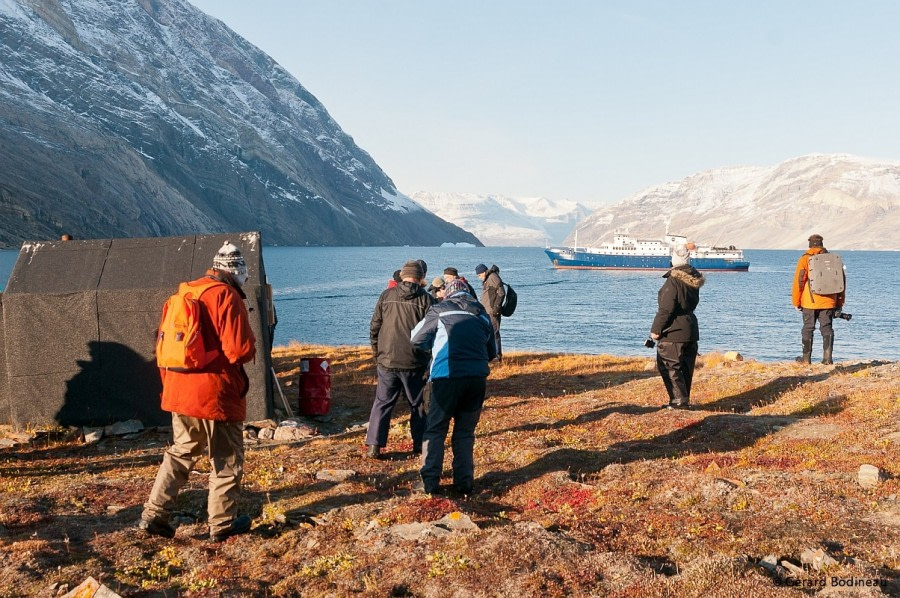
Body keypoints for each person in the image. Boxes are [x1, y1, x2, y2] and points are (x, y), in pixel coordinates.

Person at [140, 242, 257, 542]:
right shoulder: (227, 297)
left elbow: (163, 346)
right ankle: (222, 524)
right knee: (226, 458)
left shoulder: (183, 293)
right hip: (215, 392)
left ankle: (155, 513)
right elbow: (239, 350)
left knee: (181, 452)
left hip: (180, 389)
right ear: (236, 272)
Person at [410, 278, 496, 495]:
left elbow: (415, 338)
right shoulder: (482, 314)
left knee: (436, 429)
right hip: (476, 379)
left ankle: (429, 482)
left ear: (448, 294)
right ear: (468, 293)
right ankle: (464, 482)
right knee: (465, 432)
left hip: (446, 376)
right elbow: (492, 351)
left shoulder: (439, 310)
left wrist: (432, 348)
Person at [365, 260, 434, 458]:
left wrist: (377, 353)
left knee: (383, 402)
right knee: (418, 404)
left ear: (403, 275)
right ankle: (420, 445)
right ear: (420, 277)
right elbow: (433, 331)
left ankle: (373, 446)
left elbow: (374, 326)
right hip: (414, 361)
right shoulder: (426, 299)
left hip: (387, 359)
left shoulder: (386, 296)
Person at [650, 244, 704, 410]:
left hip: (673, 332)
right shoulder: (692, 281)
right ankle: (683, 400)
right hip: (690, 329)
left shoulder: (673, 282)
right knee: (686, 368)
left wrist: (656, 330)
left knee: (669, 366)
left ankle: (678, 402)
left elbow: (666, 309)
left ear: (674, 260)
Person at [792, 234, 845, 364]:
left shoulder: (805, 259)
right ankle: (827, 359)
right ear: (822, 244)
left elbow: (799, 282)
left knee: (808, 328)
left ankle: (805, 359)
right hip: (829, 302)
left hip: (810, 302)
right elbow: (842, 282)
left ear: (810, 245)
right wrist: (839, 302)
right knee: (826, 328)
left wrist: (796, 302)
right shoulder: (833, 260)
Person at [474, 263, 505, 361]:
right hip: (487, 310)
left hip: (492, 311)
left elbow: (501, 292)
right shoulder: (489, 278)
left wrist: (496, 308)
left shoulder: (493, 277)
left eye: (479, 275)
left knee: (494, 333)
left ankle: (497, 355)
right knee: (489, 333)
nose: (479, 278)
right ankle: (491, 355)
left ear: (483, 272)